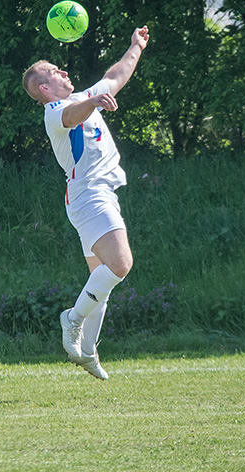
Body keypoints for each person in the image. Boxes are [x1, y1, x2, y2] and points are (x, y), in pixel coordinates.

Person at [21, 26, 150, 380]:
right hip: (88, 194)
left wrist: (135, 45)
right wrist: (91, 102)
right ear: (45, 88)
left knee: (101, 278)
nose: (63, 71)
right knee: (121, 264)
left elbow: (115, 76)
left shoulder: (83, 97)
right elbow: (70, 117)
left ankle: (89, 353)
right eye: (54, 71)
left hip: (97, 194)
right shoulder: (55, 111)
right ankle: (72, 319)